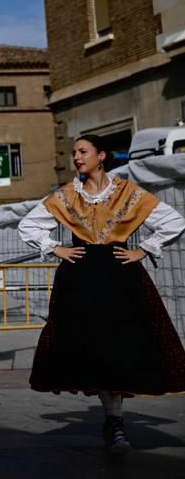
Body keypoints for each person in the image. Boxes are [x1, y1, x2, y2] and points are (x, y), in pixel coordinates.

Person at [18, 134, 185, 454]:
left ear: (102, 156)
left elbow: (172, 220)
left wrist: (143, 250)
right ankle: (113, 420)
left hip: (119, 276)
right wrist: (56, 248)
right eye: (74, 152)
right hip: (79, 278)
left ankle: (115, 421)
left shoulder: (127, 193)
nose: (77, 157)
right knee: (90, 347)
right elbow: (28, 226)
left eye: (83, 151)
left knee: (118, 346)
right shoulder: (68, 195)